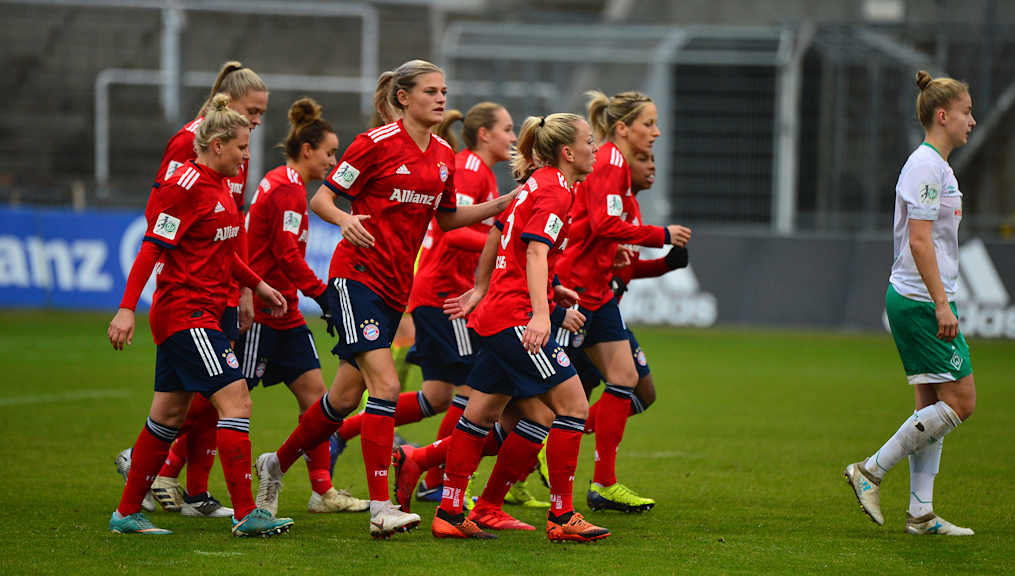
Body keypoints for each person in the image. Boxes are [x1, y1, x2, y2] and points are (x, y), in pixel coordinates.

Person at [253, 59, 512, 539]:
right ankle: (381, 507)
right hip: (356, 278)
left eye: (444, 90)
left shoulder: (443, 154)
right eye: (430, 90)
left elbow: (447, 219)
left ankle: (275, 463)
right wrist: (344, 219)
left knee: (342, 399)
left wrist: (500, 205)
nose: (441, 98)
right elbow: (322, 199)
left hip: (395, 289)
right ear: (403, 97)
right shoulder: (374, 144)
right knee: (386, 387)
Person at [107, 95, 293, 537]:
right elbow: (151, 248)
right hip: (186, 313)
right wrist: (126, 309)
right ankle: (247, 514)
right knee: (237, 400)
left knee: (168, 416)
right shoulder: (185, 187)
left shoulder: (220, 186)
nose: (246, 156)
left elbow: (222, 252)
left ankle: (126, 514)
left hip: (201, 311)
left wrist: (258, 285)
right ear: (216, 145)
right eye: (241, 147)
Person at [430, 112, 609, 543]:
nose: (595, 148)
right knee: (573, 407)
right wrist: (542, 315)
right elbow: (534, 252)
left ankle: (450, 511)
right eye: (589, 141)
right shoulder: (555, 191)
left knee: (480, 414)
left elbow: (500, 236)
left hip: (497, 315)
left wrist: (490, 288)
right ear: (568, 152)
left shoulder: (539, 183)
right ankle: (562, 516)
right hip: (514, 318)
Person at [844, 70, 977, 536]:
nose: (972, 121)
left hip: (922, 298)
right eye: (966, 112)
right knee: (961, 402)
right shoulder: (925, 167)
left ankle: (921, 513)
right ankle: (870, 470)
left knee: (932, 406)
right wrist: (942, 304)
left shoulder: (937, 167)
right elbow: (920, 241)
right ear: (942, 115)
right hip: (921, 300)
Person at [555, 90, 690, 513]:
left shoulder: (615, 169)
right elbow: (603, 224)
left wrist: (659, 262)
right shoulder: (610, 162)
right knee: (518, 409)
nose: (656, 132)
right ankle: (432, 463)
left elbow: (609, 238)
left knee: (626, 379)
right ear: (622, 128)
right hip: (573, 292)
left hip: (598, 294)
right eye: (648, 124)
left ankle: (604, 483)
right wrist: (661, 235)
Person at [240, 97, 368, 514]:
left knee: (316, 400)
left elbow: (285, 255)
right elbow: (286, 256)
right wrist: (324, 294)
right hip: (264, 311)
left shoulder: (285, 183)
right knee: (223, 401)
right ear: (307, 149)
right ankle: (157, 464)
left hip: (286, 311)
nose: (333, 161)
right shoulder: (285, 188)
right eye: (330, 152)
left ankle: (321, 491)